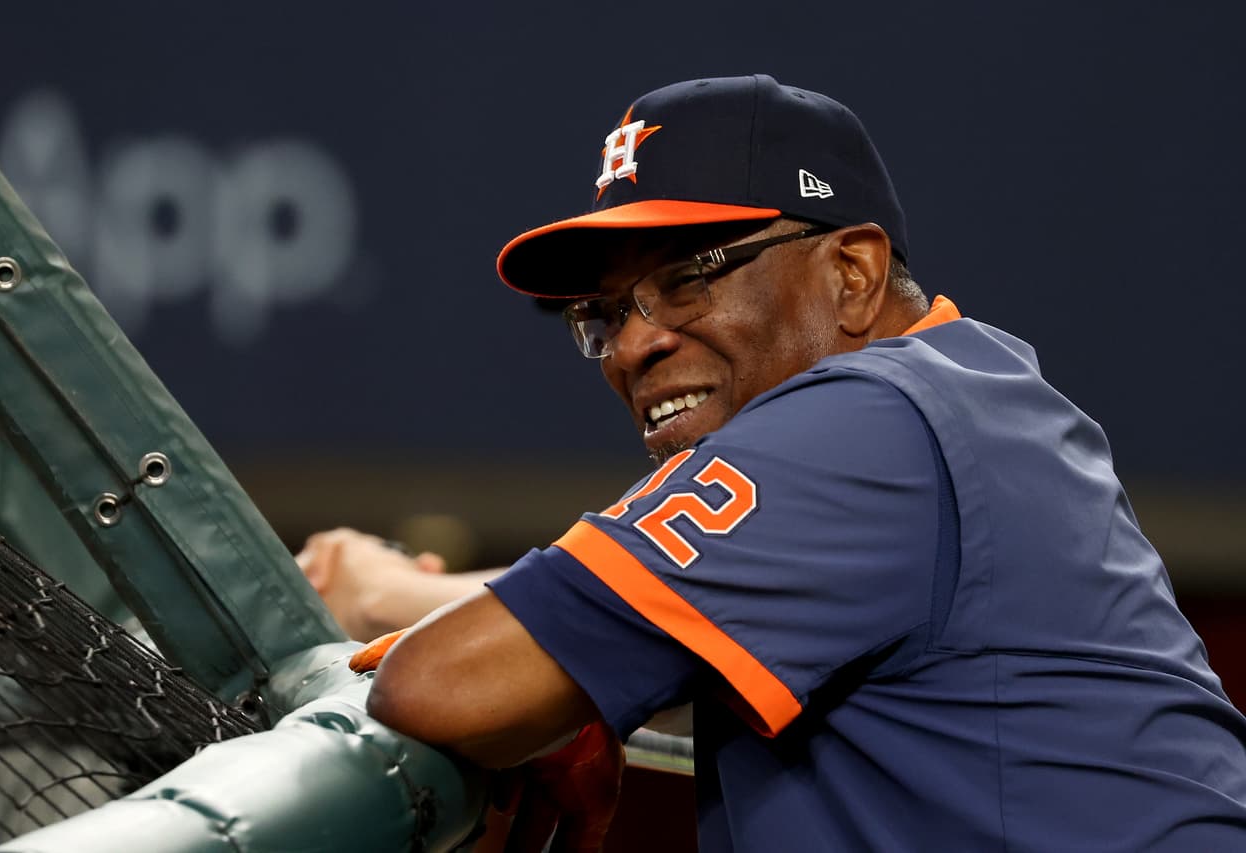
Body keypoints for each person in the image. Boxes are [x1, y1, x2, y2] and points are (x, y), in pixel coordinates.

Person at [347, 75, 1246, 850]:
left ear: (851, 273)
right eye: (607, 312)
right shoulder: (967, 384)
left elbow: (438, 686)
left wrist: (550, 691)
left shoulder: (870, 422)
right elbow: (630, 617)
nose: (634, 345)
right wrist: (546, 663)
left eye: (690, 273)